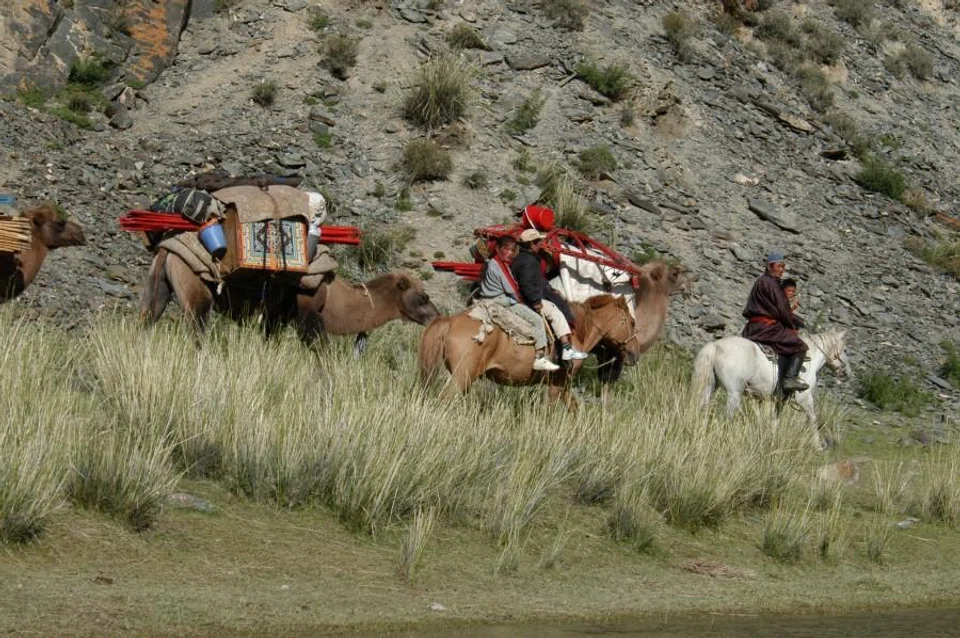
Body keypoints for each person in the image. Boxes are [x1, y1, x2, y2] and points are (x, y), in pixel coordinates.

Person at [477, 235, 560, 372]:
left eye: (512, 250)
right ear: (498, 249)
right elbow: (511, 288)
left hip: (486, 299)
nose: (509, 253)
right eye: (506, 249)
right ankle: (540, 357)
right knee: (537, 320)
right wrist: (525, 301)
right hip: (500, 301)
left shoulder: (491, 262)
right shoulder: (499, 266)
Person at [511, 229, 589, 363]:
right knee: (555, 312)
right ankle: (566, 349)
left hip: (528, 296)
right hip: (529, 300)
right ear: (531, 244)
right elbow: (527, 284)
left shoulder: (522, 258)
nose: (539, 244)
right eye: (537, 242)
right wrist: (535, 301)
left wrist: (550, 289)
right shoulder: (529, 261)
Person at [741, 252, 809, 392]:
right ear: (769, 266)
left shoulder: (761, 281)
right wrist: (794, 323)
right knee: (800, 346)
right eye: (779, 266)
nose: (782, 269)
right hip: (767, 328)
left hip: (752, 327)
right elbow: (782, 309)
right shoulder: (771, 283)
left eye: (783, 266)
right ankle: (790, 379)